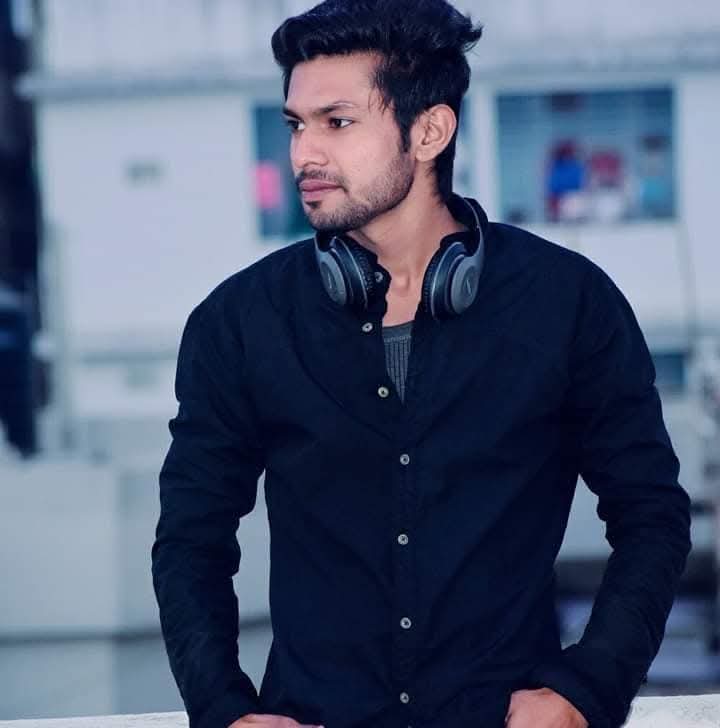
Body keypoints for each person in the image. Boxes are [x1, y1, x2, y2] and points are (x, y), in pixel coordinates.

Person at [150, 2, 692, 727]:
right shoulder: (239, 321)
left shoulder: (568, 303)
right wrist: (224, 709)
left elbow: (652, 514)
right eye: (296, 124)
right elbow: (191, 539)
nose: (304, 154)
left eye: (337, 122)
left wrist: (586, 688)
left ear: (430, 131)